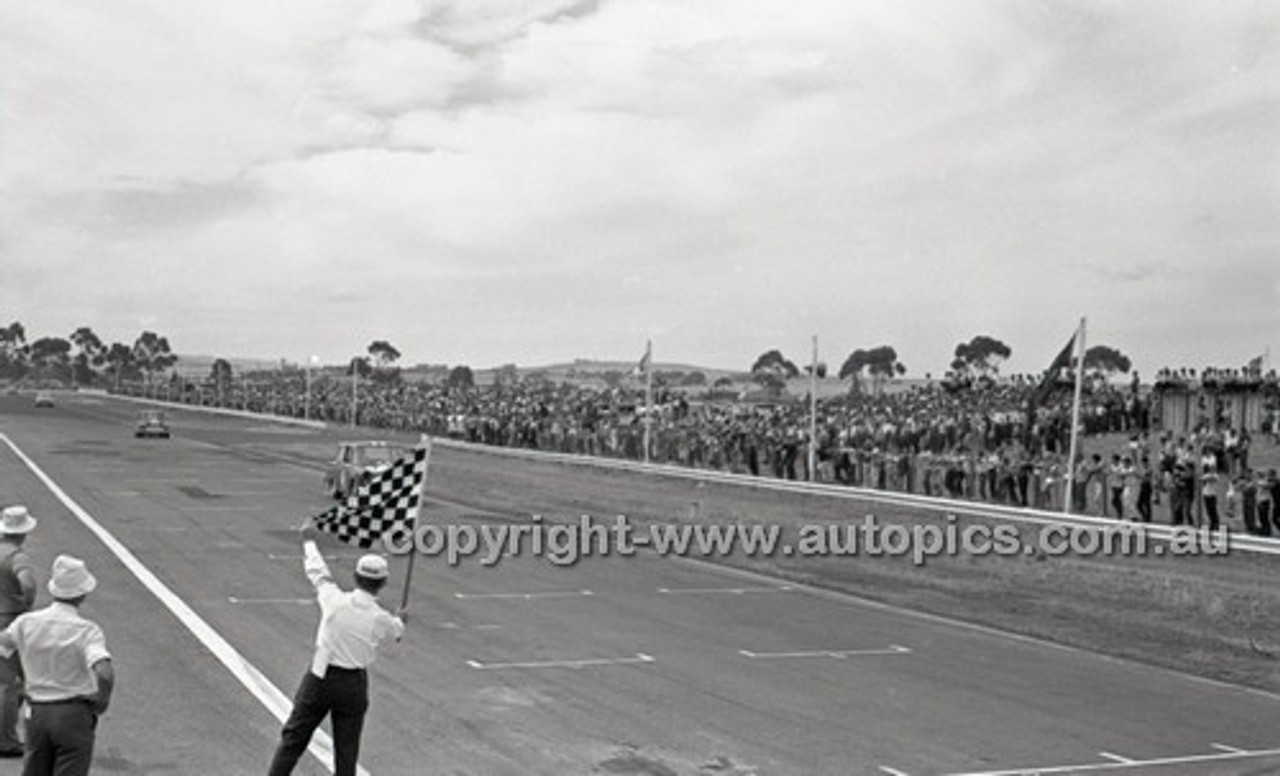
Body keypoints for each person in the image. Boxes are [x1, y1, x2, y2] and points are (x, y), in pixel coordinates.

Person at [267, 524, 406, 776]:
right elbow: (397, 632)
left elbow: (318, 572)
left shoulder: (334, 600)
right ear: (382, 583)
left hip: (320, 675)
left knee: (293, 740)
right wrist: (401, 620)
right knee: (346, 750)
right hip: (353, 683)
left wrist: (309, 542)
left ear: (355, 577)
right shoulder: (380, 618)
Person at [0, 555, 113, 776]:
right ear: (82, 594)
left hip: (37, 713)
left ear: (53, 590)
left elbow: (3, 647)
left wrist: (18, 679)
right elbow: (104, 673)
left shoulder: (26, 623)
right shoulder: (87, 630)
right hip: (73, 713)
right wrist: (102, 700)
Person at [0, 505, 38, 757]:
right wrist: (26, 602)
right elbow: (27, 583)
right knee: (13, 683)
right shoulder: (17, 557)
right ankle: (6, 739)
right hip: (10, 619)